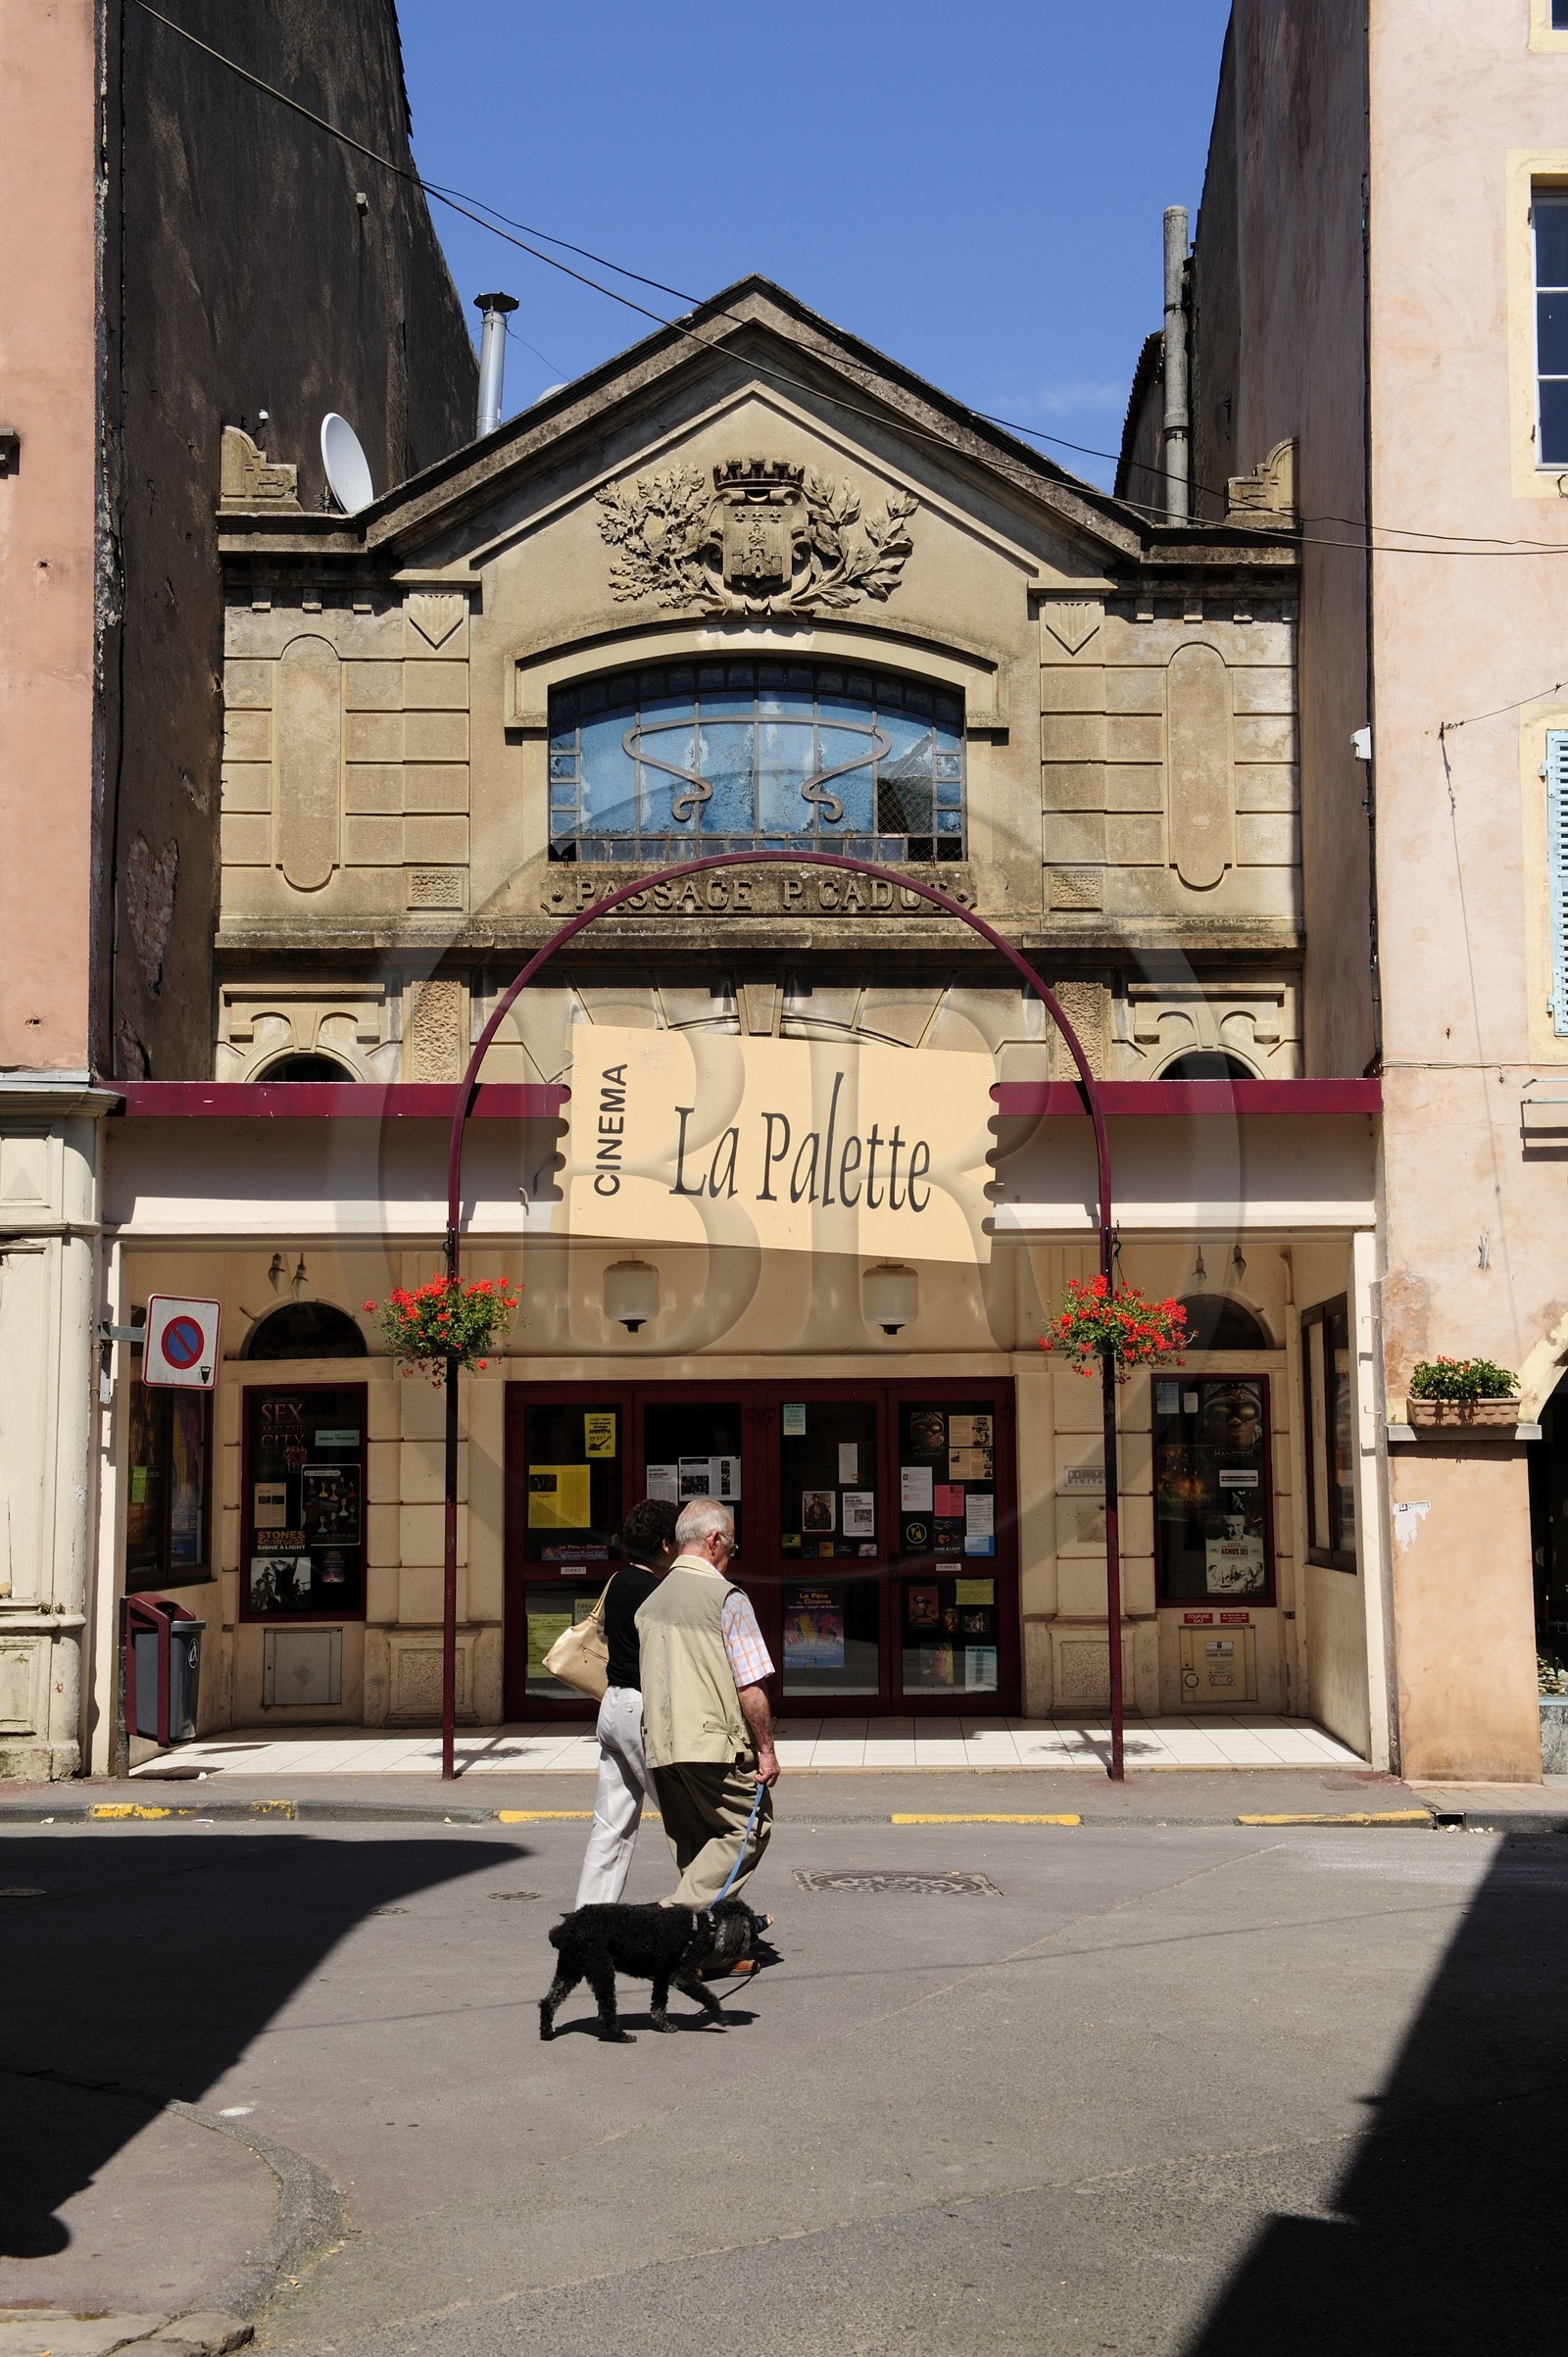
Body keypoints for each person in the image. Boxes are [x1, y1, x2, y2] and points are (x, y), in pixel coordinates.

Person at [634, 1496, 780, 1908]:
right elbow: (749, 1684)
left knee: (696, 1847)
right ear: (714, 1540)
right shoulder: (726, 1597)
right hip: (715, 1743)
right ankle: (672, 1919)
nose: (731, 1557)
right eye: (731, 1548)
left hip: (662, 1745)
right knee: (746, 1830)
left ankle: (704, 1950)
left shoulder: (651, 1602)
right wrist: (766, 1750)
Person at [571, 1498, 680, 1908]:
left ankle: (588, 1918)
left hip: (613, 1708)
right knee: (688, 1820)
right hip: (642, 1712)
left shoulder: (618, 1581)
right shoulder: (659, 1591)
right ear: (667, 1544)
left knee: (610, 1826)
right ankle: (710, 1921)